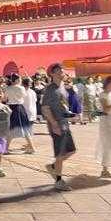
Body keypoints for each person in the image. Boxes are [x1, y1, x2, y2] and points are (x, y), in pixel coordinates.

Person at [41, 63, 76, 191]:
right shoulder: (50, 89)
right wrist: (54, 124)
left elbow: (62, 104)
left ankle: (53, 167)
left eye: (63, 71)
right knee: (60, 153)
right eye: (60, 71)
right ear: (52, 74)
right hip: (56, 124)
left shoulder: (62, 86)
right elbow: (45, 108)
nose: (63, 73)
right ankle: (59, 181)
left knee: (71, 150)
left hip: (64, 122)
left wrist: (68, 114)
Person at [6, 73, 35, 153]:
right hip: (19, 108)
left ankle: (6, 148)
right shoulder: (21, 88)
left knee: (11, 128)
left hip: (11, 108)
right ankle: (32, 147)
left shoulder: (8, 88)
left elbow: (5, 98)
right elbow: (24, 96)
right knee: (24, 128)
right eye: (19, 79)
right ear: (16, 80)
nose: (20, 80)